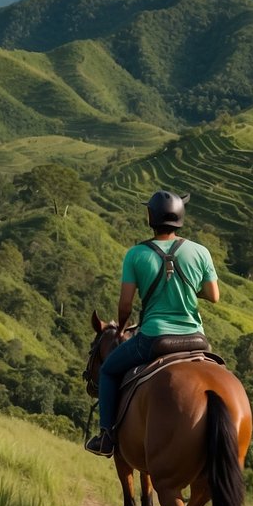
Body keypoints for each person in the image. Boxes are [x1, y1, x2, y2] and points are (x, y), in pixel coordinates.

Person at [85, 190, 220, 457]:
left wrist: (122, 328)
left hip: (154, 339)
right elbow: (214, 296)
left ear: (150, 217)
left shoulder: (136, 254)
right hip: (197, 338)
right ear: (180, 217)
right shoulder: (200, 251)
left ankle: (107, 436)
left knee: (109, 370)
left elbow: (125, 306)